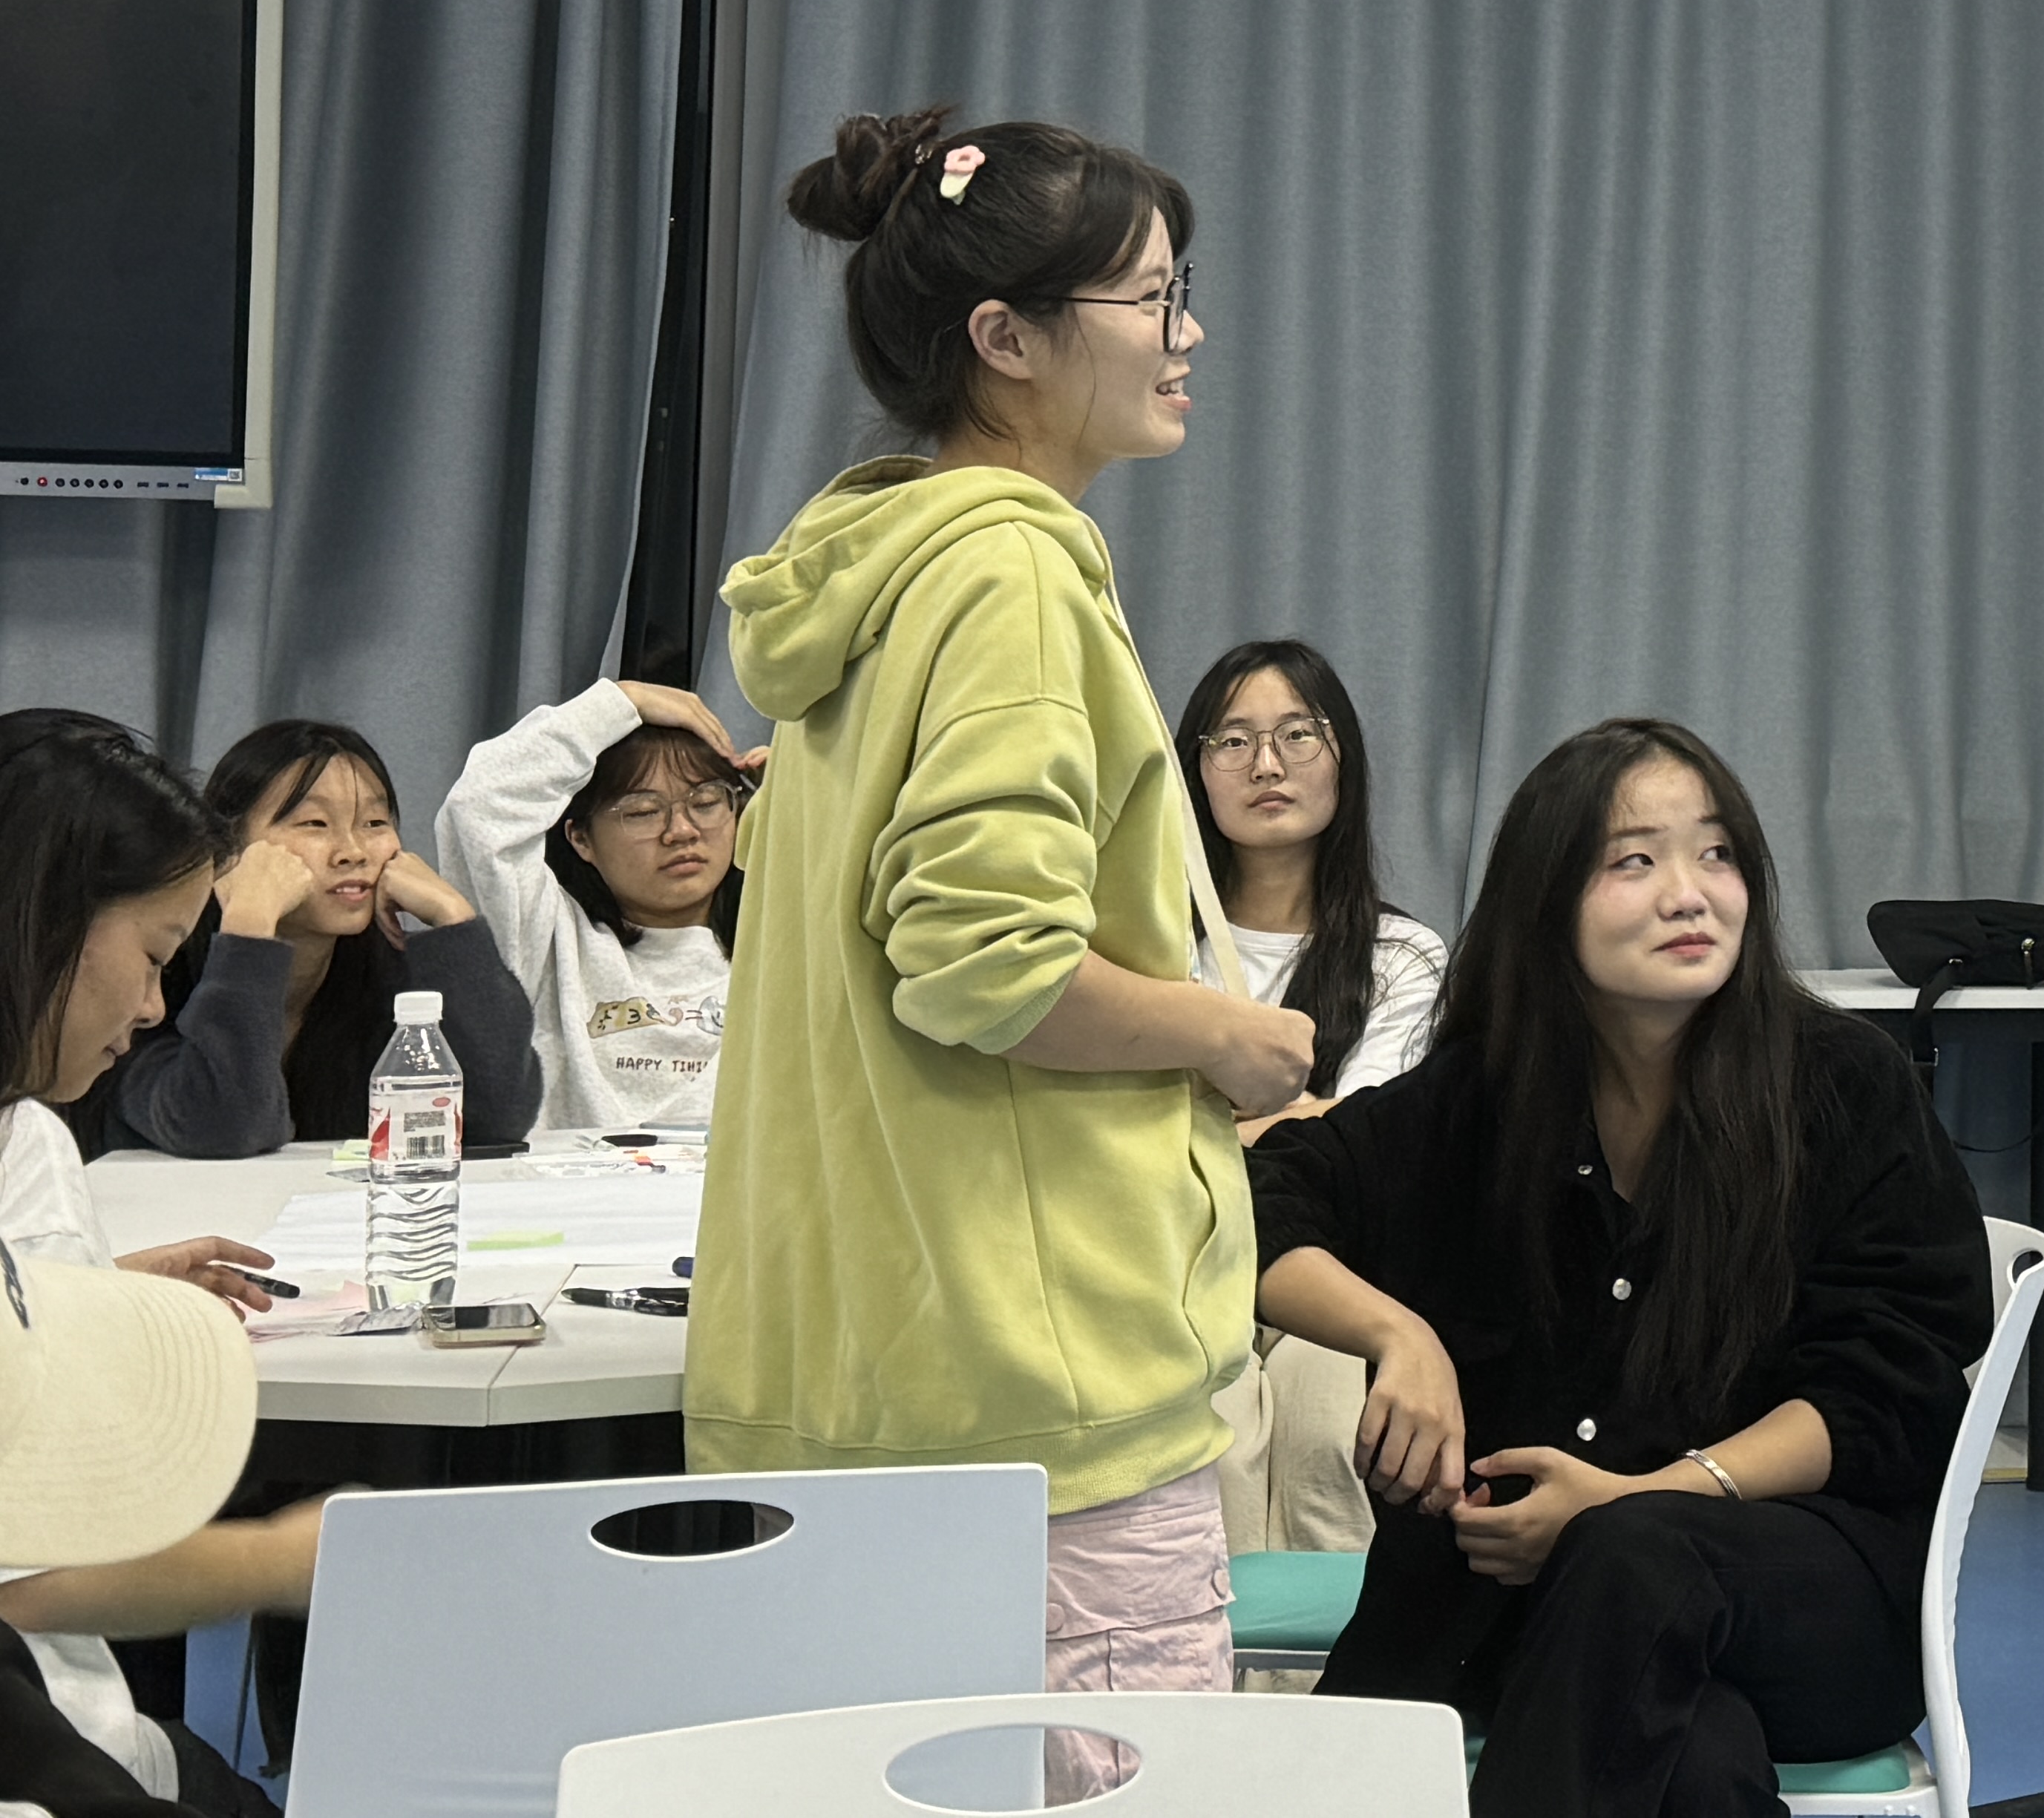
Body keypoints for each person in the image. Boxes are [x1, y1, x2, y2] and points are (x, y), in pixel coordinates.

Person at [688, 109, 1314, 1717]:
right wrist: (1225, 1035)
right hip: (1037, 1400)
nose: (1188, 336)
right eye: (1153, 299)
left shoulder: (870, 580)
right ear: (1006, 339)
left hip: (869, 1368)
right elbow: (988, 966)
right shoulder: (1011, 576)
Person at [1249, 717, 1992, 1818]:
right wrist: (1398, 1335)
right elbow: (1260, 1197)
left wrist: (1634, 1500)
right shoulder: (1482, 1102)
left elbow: (1888, 1390)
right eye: (1634, 861)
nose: (1690, 895)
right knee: (1690, 1755)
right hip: (1523, 1612)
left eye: (1717, 853)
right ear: (1545, 904)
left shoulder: (1844, 1086)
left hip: (1801, 1592)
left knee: (1631, 1559)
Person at [0, 708, 327, 1812]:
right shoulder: (26, 1137)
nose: (151, 1007)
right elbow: (36, 1575)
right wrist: (287, 1558)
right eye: (151, 958)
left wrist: (75, 1298)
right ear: (42, 919)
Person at [106, 723, 537, 1160]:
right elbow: (227, 1125)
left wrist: (454, 918)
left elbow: (497, 1120)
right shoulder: (151, 990)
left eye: (374, 823)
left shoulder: (390, 984)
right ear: (230, 847)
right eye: (315, 823)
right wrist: (249, 923)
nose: (353, 851)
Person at [433, 677, 753, 1132]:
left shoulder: (782, 949)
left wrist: (807, 806)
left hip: (735, 1178)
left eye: (705, 803)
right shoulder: (550, 940)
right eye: (643, 812)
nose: (681, 831)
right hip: (572, 1178)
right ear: (581, 839)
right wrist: (621, 701)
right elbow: (479, 808)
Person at [1176, 640, 1447, 1138]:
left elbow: (1365, 1139)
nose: (1267, 765)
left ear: (1344, 758)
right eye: (1233, 741)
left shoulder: (1400, 957)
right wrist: (1304, 1112)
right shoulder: (1155, 941)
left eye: (1298, 734)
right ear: (1196, 771)